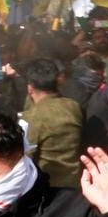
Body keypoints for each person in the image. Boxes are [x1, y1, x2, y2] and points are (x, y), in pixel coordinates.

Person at [21, 58, 84, 189]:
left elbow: (25, 158)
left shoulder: (32, 117)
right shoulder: (73, 106)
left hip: (48, 189)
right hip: (75, 185)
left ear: (30, 88)